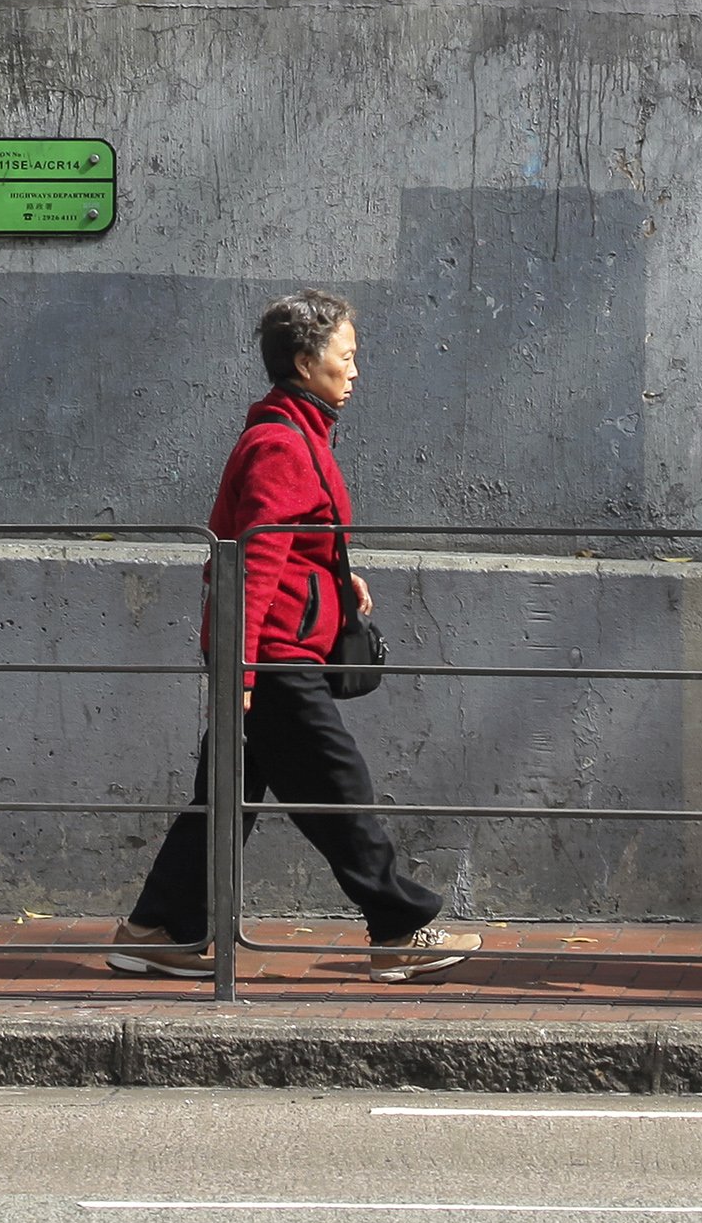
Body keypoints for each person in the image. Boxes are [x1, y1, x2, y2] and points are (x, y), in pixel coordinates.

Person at [103, 291, 485, 984]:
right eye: (346, 354)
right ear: (305, 361)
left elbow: (290, 545)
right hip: (273, 658)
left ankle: (157, 928)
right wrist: (243, 671)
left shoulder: (296, 432)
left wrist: (338, 575)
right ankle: (398, 928)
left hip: (271, 651)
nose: (355, 369)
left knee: (222, 798)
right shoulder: (282, 443)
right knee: (338, 788)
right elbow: (252, 562)